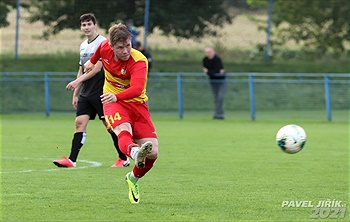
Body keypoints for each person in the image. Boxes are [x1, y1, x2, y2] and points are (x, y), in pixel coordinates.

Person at [84, 23, 159, 204]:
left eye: (128, 45)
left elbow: (136, 89)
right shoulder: (104, 47)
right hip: (112, 102)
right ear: (111, 46)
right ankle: (134, 153)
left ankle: (133, 178)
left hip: (136, 104)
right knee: (122, 129)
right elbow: (98, 53)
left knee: (154, 153)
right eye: (120, 47)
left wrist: (117, 97)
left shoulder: (139, 61)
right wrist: (92, 62)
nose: (125, 50)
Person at [53, 13, 130, 168]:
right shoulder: (83, 46)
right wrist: (76, 93)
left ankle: (123, 158)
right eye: (83, 25)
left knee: (110, 126)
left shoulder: (103, 43)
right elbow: (82, 69)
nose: (86, 27)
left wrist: (76, 82)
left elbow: (96, 69)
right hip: (86, 93)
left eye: (89, 24)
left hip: (101, 91)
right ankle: (72, 160)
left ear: (95, 25)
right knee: (79, 122)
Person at [202, 47, 226, 120]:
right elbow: (212, 72)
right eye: (207, 52)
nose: (208, 54)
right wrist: (210, 72)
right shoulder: (205, 60)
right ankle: (217, 114)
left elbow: (217, 70)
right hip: (212, 81)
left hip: (221, 81)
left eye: (210, 52)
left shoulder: (217, 59)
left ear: (213, 52)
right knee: (216, 98)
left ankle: (220, 114)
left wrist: (208, 72)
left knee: (220, 97)